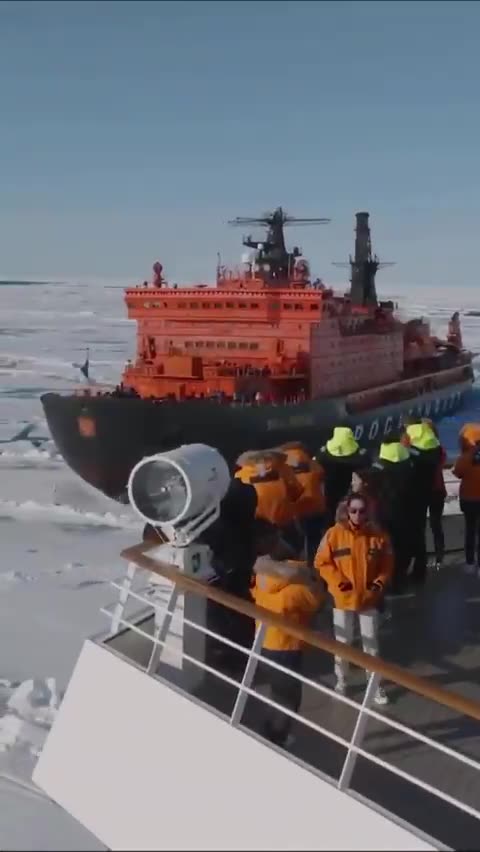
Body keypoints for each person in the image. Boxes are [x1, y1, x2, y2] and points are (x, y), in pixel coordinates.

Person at [251, 519, 325, 746]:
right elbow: (318, 601)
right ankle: (276, 738)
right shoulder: (296, 588)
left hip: (264, 642)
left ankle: (271, 729)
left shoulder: (260, 576)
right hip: (286, 648)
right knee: (290, 698)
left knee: (277, 691)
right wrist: (309, 576)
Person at [314, 493, 393, 705]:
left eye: (362, 510)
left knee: (371, 645)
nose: (358, 515)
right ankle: (341, 680)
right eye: (353, 510)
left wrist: (378, 584)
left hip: (368, 598)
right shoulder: (333, 534)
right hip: (343, 599)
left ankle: (375, 685)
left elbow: (387, 564)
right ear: (347, 511)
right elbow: (321, 562)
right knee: (343, 642)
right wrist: (339, 581)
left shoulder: (379, 536)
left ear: (368, 512)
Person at [370, 431, 416, 594]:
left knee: (385, 548)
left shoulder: (378, 465)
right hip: (405, 511)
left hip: (383, 512)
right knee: (403, 546)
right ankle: (400, 579)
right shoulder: (408, 463)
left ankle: (385, 580)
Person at [403, 419, 442, 588]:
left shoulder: (410, 448)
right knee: (420, 530)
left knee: (412, 532)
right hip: (428, 491)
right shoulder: (434, 446)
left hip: (413, 494)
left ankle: (410, 569)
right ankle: (421, 568)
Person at [235, 449, 304, 539]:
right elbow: (297, 492)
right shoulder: (283, 469)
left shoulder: (239, 476)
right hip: (284, 522)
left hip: (260, 528)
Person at [277, 441, 325, 565]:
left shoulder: (281, 466)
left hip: (294, 510)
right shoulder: (313, 464)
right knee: (313, 539)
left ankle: (296, 567)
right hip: (315, 507)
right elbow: (321, 476)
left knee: (293, 541)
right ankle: (313, 565)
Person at [315, 426, 370, 527]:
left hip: (330, 493)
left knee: (330, 521)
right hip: (352, 494)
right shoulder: (361, 455)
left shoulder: (323, 454)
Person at [453, 423, 480, 574]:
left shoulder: (465, 457)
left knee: (470, 530)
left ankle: (470, 562)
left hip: (469, 499)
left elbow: (458, 473)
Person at [422, 419, 447, 570]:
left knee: (423, 526)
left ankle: (425, 559)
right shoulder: (440, 449)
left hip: (426, 491)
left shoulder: (418, 450)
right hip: (437, 490)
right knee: (436, 525)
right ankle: (439, 558)